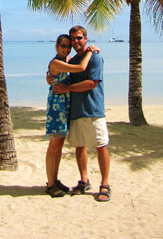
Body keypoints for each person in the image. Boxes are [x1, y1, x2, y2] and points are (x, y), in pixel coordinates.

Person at [52, 25, 111, 202]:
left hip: (93, 109)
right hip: (76, 110)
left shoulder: (95, 58)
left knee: (101, 145)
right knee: (80, 146)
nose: (76, 41)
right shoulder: (71, 61)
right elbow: (57, 73)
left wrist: (67, 88)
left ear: (86, 39)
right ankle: (84, 180)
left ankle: (105, 184)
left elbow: (91, 83)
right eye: (73, 39)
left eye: (79, 38)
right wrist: (50, 77)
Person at [45, 34, 98, 198]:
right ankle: (50, 183)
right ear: (56, 46)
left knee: (59, 145)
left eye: (68, 46)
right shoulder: (56, 63)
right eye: (63, 46)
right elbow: (81, 68)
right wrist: (90, 51)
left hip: (66, 106)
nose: (67, 49)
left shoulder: (67, 61)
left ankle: (54, 180)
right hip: (56, 106)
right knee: (54, 146)